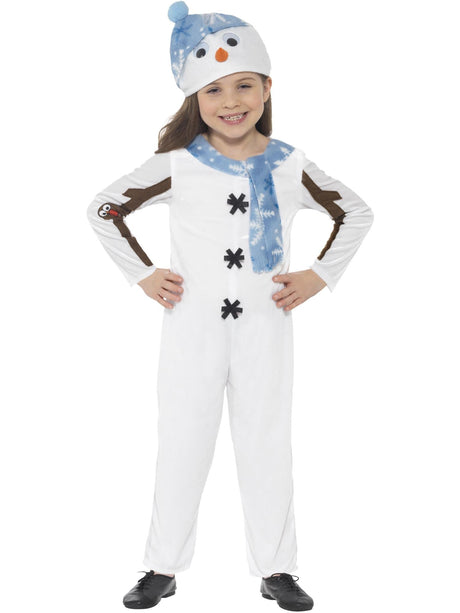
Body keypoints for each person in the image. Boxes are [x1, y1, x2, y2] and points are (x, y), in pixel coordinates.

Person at [86, 2, 374, 610]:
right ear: (196, 100)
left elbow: (355, 211)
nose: (231, 101)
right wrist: (143, 274)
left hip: (266, 329)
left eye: (244, 85)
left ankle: (277, 569)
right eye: (213, 90)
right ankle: (162, 566)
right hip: (191, 330)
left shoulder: (289, 164)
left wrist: (320, 274)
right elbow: (105, 209)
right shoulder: (177, 165)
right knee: (182, 442)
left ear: (267, 88)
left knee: (267, 443)